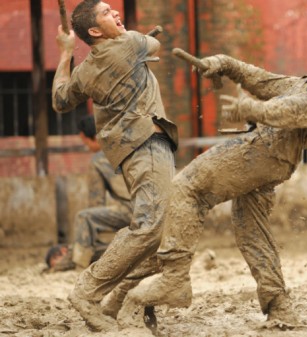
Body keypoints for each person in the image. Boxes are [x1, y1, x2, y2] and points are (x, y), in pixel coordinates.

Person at [115, 55, 307, 330]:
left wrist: (252, 109)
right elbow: (272, 84)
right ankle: (279, 306)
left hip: (261, 153)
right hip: (274, 160)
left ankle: (173, 280)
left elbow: (294, 112)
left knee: (187, 188)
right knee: (252, 231)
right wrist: (227, 65)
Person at [52, 0, 178, 331]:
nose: (116, 14)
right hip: (148, 145)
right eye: (108, 13)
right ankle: (88, 290)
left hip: (133, 151)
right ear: (94, 31)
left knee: (163, 236)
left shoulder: (86, 71)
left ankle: (125, 300)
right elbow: (155, 43)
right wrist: (132, 38)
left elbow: (60, 99)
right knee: (151, 228)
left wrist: (66, 52)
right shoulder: (131, 43)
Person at [45, 115, 131, 272]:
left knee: (84, 217)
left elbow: (96, 203)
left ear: (90, 138)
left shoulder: (98, 160)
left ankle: (78, 266)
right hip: (154, 204)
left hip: (132, 210)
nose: (86, 147)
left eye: (84, 142)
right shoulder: (126, 147)